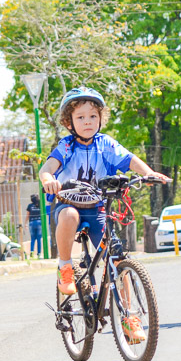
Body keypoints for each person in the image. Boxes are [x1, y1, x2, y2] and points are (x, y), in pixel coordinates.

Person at [39, 87, 169, 344]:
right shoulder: (66, 146)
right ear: (69, 122)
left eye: (92, 117)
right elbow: (47, 168)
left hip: (98, 207)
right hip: (68, 205)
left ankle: (129, 316)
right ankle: (65, 265)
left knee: (117, 256)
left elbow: (131, 160)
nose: (87, 122)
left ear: (100, 119)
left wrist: (149, 173)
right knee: (69, 217)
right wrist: (48, 180)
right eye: (81, 118)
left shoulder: (106, 144)